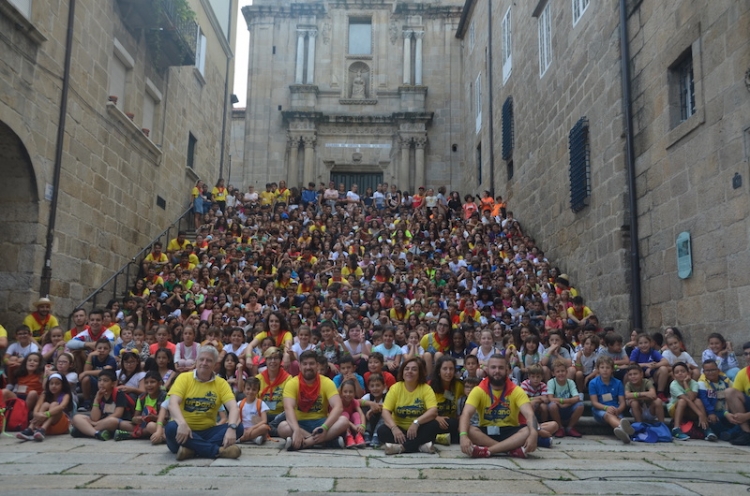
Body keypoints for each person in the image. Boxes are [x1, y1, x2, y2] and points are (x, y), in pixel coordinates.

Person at [165, 345, 243, 460]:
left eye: (209, 360)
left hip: (207, 431)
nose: (204, 363)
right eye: (201, 359)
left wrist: (231, 428)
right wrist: (182, 424)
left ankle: (191, 450)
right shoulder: (183, 378)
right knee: (171, 427)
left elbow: (233, 408)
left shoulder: (221, 383)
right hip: (183, 432)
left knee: (238, 427)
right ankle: (218, 451)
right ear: (196, 361)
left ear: (215, 364)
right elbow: (172, 404)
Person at [458, 354, 538, 458]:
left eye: (501, 368)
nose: (497, 371)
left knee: (529, 430)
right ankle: (508, 450)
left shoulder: (516, 390)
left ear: (507, 370)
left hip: (510, 431)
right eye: (493, 367)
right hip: (486, 432)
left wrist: (534, 434)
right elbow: (466, 414)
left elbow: (530, 414)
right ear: (487, 370)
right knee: (466, 429)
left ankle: (489, 450)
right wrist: (463, 436)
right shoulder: (478, 390)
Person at [278, 350, 349, 450]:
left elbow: (338, 407)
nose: (308, 367)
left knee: (344, 421)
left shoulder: (327, 382)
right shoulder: (292, 383)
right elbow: (288, 408)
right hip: (300, 423)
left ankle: (306, 442)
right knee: (282, 427)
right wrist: (296, 429)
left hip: (321, 423)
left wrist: (324, 428)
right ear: (299, 366)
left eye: (311, 364)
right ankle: (326, 441)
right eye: (305, 364)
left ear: (317, 365)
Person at [377, 356, 439, 455]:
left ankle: (401, 448)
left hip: (418, 429)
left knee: (434, 425)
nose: (409, 371)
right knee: (382, 431)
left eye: (414, 369)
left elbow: (433, 411)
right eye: (407, 369)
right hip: (399, 429)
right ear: (402, 372)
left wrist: (416, 423)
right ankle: (420, 446)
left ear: (419, 374)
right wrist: (394, 428)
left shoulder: (426, 388)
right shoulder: (395, 388)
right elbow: (385, 411)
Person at [70, 369, 135, 441]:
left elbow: (118, 414)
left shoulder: (119, 394)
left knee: (112, 421)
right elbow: (94, 418)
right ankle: (96, 433)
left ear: (113, 383)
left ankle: (84, 431)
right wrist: (96, 400)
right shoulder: (99, 394)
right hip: (100, 423)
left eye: (105, 381)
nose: (101, 383)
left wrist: (98, 423)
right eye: (99, 380)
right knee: (77, 417)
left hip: (117, 422)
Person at [588, 356, 634, 444]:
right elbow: (594, 402)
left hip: (615, 408)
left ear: (612, 369)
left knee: (617, 416)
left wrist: (618, 410)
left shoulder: (618, 383)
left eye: (608, 367)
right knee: (609, 415)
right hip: (600, 409)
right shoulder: (593, 383)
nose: (605, 370)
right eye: (602, 367)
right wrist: (606, 408)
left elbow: (622, 402)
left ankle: (624, 434)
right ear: (598, 369)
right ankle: (623, 428)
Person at [546, 360, 584, 438]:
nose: (561, 373)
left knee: (580, 405)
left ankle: (570, 427)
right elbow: (550, 398)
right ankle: (560, 427)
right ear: (553, 373)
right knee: (552, 405)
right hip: (557, 407)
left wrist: (564, 402)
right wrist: (568, 401)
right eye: (558, 371)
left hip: (568, 406)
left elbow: (576, 397)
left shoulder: (570, 382)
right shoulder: (551, 382)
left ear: (566, 372)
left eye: (563, 371)